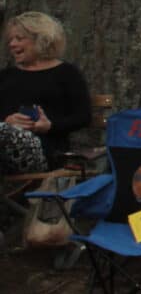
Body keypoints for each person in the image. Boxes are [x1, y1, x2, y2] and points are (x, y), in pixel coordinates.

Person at [0, 12, 91, 175]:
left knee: (5, 133)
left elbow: (83, 116)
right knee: (4, 132)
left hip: (45, 150)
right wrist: (7, 121)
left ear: (41, 40)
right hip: (4, 148)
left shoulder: (66, 74)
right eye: (11, 40)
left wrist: (49, 126)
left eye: (19, 39)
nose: (12, 44)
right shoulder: (6, 76)